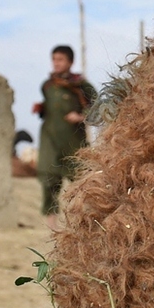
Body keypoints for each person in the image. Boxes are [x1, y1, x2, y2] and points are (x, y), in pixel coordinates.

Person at [33, 45, 98, 230]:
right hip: (50, 140)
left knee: (81, 182)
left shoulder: (81, 85)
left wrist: (80, 116)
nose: (56, 63)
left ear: (70, 62)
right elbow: (51, 104)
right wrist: (42, 107)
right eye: (54, 59)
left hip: (73, 142)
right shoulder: (47, 86)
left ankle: (83, 225)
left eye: (60, 59)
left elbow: (96, 105)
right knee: (48, 180)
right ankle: (53, 227)